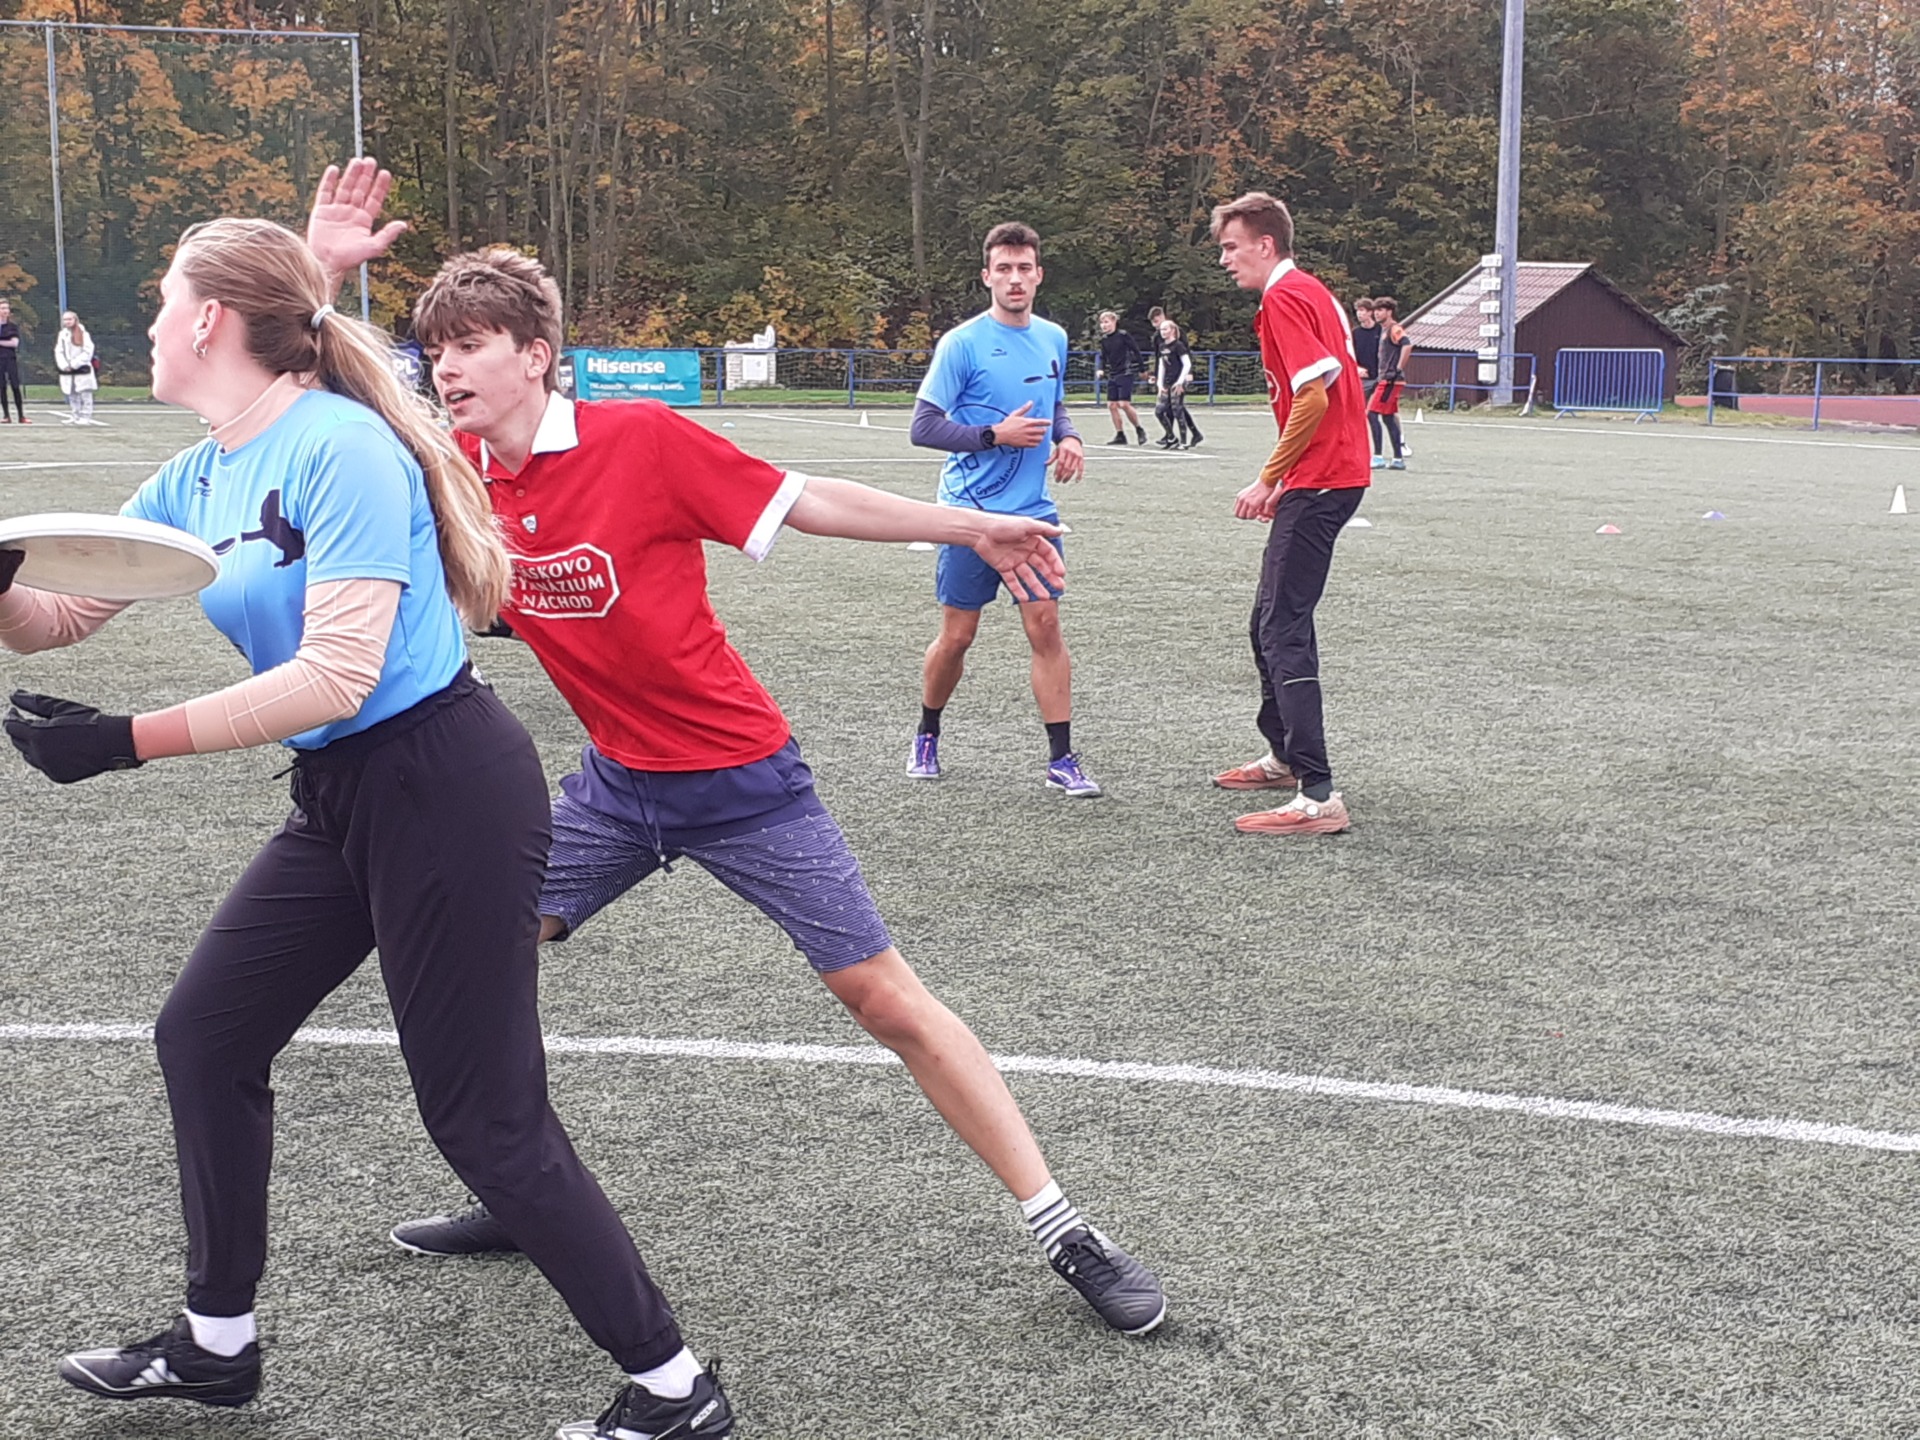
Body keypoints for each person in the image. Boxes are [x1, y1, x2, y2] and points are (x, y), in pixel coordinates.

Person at [302, 165, 1168, 1372]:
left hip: (741, 778)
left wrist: (970, 522)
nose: (446, 368)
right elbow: (313, 400)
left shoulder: (641, 440)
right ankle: (521, 1182)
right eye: (436, 349)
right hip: (613, 789)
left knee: (886, 1001)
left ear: (537, 356)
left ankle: (1065, 1229)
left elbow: (808, 502)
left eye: (472, 345)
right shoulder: (457, 470)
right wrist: (320, 268)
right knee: (485, 950)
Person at [0, 213, 726, 1439]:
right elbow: (58, 618)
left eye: (166, 299)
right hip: (343, 795)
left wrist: (125, 740)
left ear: (208, 322)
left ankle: (674, 1386)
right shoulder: (201, 469)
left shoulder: (342, 447)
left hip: (444, 788)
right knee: (206, 1037)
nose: (154, 320)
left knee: (484, 1122)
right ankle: (217, 1344)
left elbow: (338, 675)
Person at [907, 221, 1100, 797]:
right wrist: (995, 435)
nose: (1015, 279)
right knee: (958, 636)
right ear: (987, 276)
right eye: (1004, 269)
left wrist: (1069, 436)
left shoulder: (1054, 337)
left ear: (1039, 275)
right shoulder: (962, 343)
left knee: (1046, 625)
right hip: (970, 516)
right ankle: (927, 733)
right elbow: (923, 428)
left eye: (1024, 268)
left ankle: (1062, 759)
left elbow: (1054, 403)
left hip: (1033, 512)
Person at [1207, 191, 1370, 836]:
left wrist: (1269, 477)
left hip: (1324, 481)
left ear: (1265, 244)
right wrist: (1288, 478)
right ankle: (1283, 757)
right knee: (1269, 622)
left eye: (1231, 247)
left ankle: (1318, 792)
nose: (1225, 259)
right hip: (1326, 476)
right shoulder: (1310, 291)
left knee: (1282, 628)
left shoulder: (1285, 296)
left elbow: (1315, 399)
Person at [1094, 310, 1147, 445]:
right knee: (1111, 405)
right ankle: (1120, 434)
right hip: (1113, 374)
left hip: (1125, 373)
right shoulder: (1104, 340)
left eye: (1106, 322)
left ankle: (1139, 429)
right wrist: (1100, 368)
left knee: (1123, 404)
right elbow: (1103, 356)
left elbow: (1136, 351)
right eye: (1102, 323)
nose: (1104, 325)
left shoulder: (1123, 336)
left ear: (1114, 322)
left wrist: (1142, 369)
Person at [1370, 296, 1411, 470]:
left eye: (1380, 310)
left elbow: (1407, 345)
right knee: (1388, 417)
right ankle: (1397, 459)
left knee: (1371, 413)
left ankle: (1378, 456)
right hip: (1387, 379)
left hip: (1390, 380)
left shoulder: (1394, 328)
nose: (1376, 313)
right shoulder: (1384, 330)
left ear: (1389, 312)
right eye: (1375, 310)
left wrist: (1398, 368)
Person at [1155, 318, 1203, 449]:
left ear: (1172, 330)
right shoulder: (1162, 346)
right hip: (1167, 382)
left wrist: (1180, 381)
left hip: (1177, 382)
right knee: (1159, 411)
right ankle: (1171, 437)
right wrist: (1160, 383)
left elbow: (1187, 364)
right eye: (1161, 329)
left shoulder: (1178, 345)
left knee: (1177, 410)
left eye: (1165, 329)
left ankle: (1183, 441)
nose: (1163, 332)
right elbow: (1161, 366)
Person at [1351, 297, 1387, 468]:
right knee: (1357, 415)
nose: (1360, 314)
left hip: (1378, 379)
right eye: (1358, 311)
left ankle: (1380, 453)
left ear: (1370, 312)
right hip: (1361, 380)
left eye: (1363, 311)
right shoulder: (1355, 334)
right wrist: (1356, 368)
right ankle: (1358, 451)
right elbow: (1349, 355)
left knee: (1375, 415)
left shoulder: (1381, 331)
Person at [54, 312, 99, 425]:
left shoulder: (84, 334)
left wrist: (74, 364)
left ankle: (86, 417)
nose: (67, 322)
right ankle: (75, 415)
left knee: (85, 394)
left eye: (70, 319)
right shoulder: (62, 334)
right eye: (65, 319)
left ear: (75, 320)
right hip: (67, 370)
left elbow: (88, 351)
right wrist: (64, 365)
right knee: (72, 393)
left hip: (82, 369)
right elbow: (59, 351)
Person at [1144, 306, 1170, 442]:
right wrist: (1155, 374)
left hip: (1176, 372)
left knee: (1174, 407)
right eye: (1153, 323)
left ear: (1162, 316)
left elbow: (1185, 352)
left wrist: (1188, 372)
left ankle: (1172, 435)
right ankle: (1170, 434)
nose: (1155, 325)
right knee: (1167, 406)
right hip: (1163, 372)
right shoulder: (1156, 337)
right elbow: (1158, 356)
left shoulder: (1175, 332)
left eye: (1156, 321)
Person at [0, 299, 26, 424]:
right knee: (1, 387)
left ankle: (21, 416)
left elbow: (14, 343)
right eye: (2, 308)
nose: (5, 311)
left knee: (15, 386)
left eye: (7, 308)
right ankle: (6, 416)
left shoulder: (12, 327)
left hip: (10, 359)